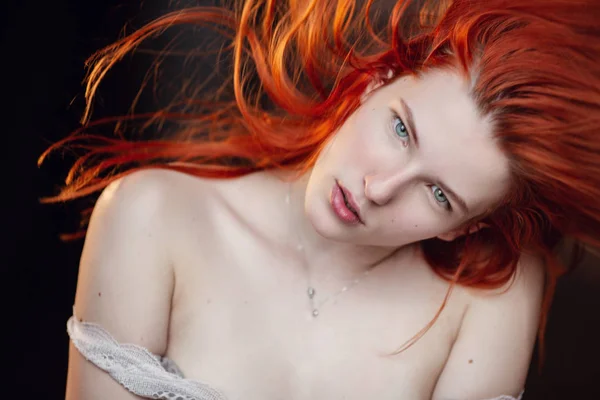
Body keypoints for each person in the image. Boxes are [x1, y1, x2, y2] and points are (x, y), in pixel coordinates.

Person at [40, 0, 600, 399]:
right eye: (401, 131)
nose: (378, 190)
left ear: (465, 228)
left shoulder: (485, 301)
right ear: (378, 81)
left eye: (437, 195)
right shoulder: (150, 216)